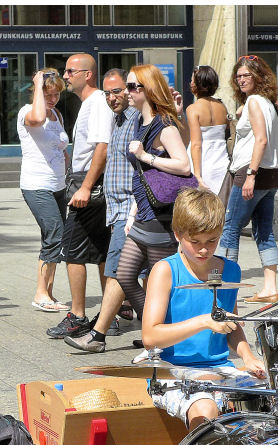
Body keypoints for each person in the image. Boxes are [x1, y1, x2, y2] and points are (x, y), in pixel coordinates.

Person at [144, 188, 266, 430]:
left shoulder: (230, 270)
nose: (203, 250)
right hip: (172, 372)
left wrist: (248, 356)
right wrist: (202, 321)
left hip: (219, 369)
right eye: (195, 242)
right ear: (178, 234)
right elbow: (150, 337)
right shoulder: (166, 270)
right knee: (205, 408)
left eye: (212, 241)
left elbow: (231, 326)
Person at [109, 64, 194, 337]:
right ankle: (157, 333)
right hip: (143, 213)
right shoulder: (138, 121)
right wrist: (133, 211)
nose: (128, 92)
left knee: (159, 285)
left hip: (161, 216)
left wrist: (146, 156)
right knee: (125, 275)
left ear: (149, 90)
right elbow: (143, 176)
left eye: (133, 87)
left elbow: (184, 166)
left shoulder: (163, 125)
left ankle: (162, 339)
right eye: (128, 87)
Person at [65, 68, 140, 354]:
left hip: (129, 210)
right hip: (118, 209)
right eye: (108, 93)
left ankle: (97, 335)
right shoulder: (119, 119)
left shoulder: (135, 119)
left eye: (118, 90)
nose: (112, 97)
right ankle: (154, 332)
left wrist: (86, 187)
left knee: (118, 273)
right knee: (136, 274)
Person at [45, 53, 113, 340]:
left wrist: (85, 186)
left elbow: (102, 147)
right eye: (65, 70)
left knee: (72, 250)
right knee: (100, 251)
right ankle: (115, 310)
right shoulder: (90, 103)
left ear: (88, 74)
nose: (66, 75)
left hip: (89, 183)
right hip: (88, 180)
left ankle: (78, 315)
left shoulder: (96, 102)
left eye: (71, 71)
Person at [216, 55, 278, 304]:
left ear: (258, 76)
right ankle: (270, 288)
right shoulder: (266, 102)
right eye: (238, 75)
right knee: (264, 232)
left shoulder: (255, 102)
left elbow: (261, 140)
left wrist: (250, 176)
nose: (241, 79)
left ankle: (226, 288)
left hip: (252, 172)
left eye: (246, 75)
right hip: (272, 174)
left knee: (230, 227)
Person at [18, 67, 70, 312]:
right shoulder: (28, 112)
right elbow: (37, 120)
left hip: (58, 184)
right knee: (55, 233)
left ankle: (48, 292)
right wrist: (39, 84)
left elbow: (60, 145)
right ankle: (40, 294)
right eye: (48, 94)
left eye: (56, 94)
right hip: (36, 184)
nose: (52, 99)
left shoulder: (56, 114)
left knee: (56, 238)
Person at [185, 65, 230, 202]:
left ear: (197, 84)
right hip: (221, 161)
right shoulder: (222, 107)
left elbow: (196, 145)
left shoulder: (193, 109)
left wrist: (197, 175)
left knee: (200, 208)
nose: (190, 83)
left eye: (192, 80)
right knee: (219, 206)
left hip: (203, 162)